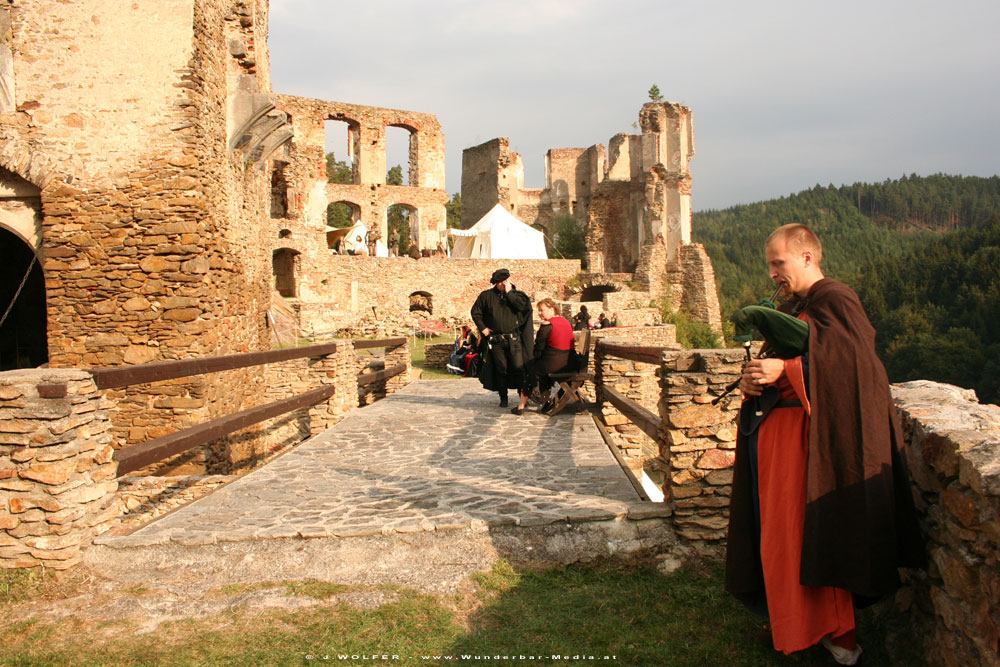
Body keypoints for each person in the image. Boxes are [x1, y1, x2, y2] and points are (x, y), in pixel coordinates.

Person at [724, 224, 924, 665]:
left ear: (808, 257)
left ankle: (839, 636)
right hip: (778, 442)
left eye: (779, 262)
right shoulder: (798, 305)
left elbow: (853, 365)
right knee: (781, 539)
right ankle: (793, 624)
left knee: (814, 534)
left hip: (811, 447)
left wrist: (785, 371)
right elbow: (797, 359)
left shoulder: (837, 298)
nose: (773, 272)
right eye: (770, 264)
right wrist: (757, 379)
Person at [470, 268, 533, 409]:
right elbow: (476, 312)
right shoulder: (486, 296)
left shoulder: (517, 295)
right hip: (497, 341)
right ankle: (503, 398)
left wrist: (509, 293)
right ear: (495, 283)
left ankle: (522, 399)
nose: (502, 284)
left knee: (519, 369)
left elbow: (522, 307)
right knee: (501, 370)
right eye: (499, 282)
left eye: (504, 281)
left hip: (514, 340)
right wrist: (483, 329)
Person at [512, 298, 574, 415]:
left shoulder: (547, 324)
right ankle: (546, 402)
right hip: (570, 362)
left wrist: (535, 359)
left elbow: (538, 350)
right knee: (538, 370)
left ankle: (521, 406)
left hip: (555, 362)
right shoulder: (566, 322)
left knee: (530, 370)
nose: (540, 313)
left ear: (552, 309)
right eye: (539, 311)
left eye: (542, 310)